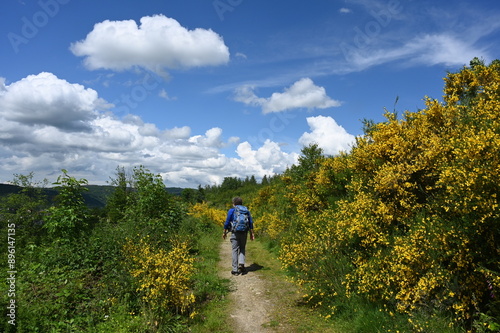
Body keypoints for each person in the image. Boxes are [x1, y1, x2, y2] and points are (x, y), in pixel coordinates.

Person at [223, 197, 255, 275]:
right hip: (244, 232)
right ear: (241, 203)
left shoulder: (232, 210)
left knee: (234, 249)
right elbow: (250, 222)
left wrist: (224, 232)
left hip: (235, 232)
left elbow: (227, 222)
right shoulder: (246, 210)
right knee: (242, 248)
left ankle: (235, 270)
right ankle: (241, 264)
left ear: (234, 203)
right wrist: (252, 233)